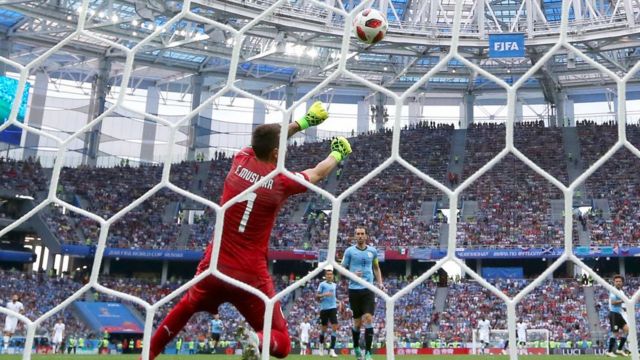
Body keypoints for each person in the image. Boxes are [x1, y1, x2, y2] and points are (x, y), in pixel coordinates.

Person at [149, 101, 352, 360]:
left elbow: (268, 141)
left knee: (186, 305)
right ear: (276, 152)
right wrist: (337, 153)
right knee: (282, 343)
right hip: (250, 276)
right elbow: (316, 174)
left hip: (215, 266)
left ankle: (148, 353)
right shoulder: (281, 181)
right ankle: (257, 340)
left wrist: (303, 122)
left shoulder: (240, 160)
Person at [342, 226, 383, 360]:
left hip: (368, 289)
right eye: (358, 234)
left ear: (366, 236)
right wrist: (353, 274)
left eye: (362, 234)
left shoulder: (372, 251)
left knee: (369, 319)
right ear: (355, 236)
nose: (360, 236)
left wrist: (380, 283)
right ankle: (356, 347)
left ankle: (369, 353)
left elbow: (376, 268)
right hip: (354, 290)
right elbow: (342, 269)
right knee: (357, 323)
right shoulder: (349, 251)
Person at [316, 266, 340, 357]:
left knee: (335, 327)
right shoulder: (322, 284)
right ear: (325, 276)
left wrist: (339, 301)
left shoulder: (334, 285)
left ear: (333, 276)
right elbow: (317, 296)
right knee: (324, 330)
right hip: (324, 309)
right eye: (328, 274)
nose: (329, 276)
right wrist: (324, 294)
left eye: (331, 274)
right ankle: (321, 347)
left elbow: (333, 296)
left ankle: (332, 350)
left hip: (333, 308)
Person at [606, 275, 631, 357]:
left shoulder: (621, 291)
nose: (618, 283)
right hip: (613, 314)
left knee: (627, 330)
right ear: (614, 282)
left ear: (622, 282)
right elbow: (613, 302)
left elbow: (621, 303)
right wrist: (623, 300)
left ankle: (619, 349)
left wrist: (624, 308)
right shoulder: (613, 290)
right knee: (615, 333)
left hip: (619, 314)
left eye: (620, 281)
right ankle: (609, 351)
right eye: (616, 281)